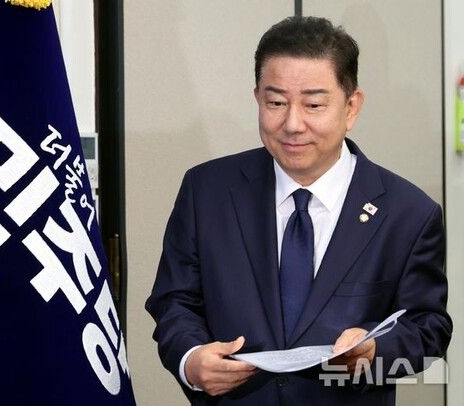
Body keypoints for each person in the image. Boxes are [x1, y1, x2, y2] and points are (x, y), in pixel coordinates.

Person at [145, 16, 452, 405]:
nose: (292, 124)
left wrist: (375, 353)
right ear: (257, 98)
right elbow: (175, 302)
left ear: (351, 107)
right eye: (275, 102)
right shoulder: (206, 191)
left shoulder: (408, 213)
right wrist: (190, 360)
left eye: (313, 104)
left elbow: (428, 329)